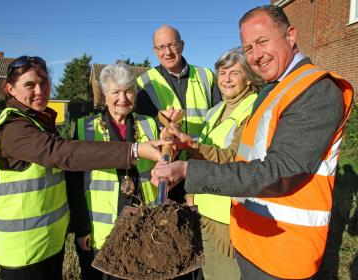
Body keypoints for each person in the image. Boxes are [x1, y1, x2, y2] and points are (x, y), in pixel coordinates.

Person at [151, 5, 354, 280]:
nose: (256, 56)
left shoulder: (315, 90)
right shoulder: (274, 90)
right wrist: (191, 147)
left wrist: (189, 171)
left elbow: (280, 171)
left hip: (284, 249)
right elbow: (246, 158)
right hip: (251, 237)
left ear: (291, 35)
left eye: (262, 42)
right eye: (248, 48)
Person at [0, 56, 166, 280]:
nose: (39, 91)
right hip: (25, 249)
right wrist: (134, 151)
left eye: (44, 83)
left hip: (49, 243)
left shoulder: (39, 121)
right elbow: (63, 155)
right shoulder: (14, 127)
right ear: (10, 89)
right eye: (29, 85)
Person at [163, 47, 263, 280]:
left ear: (248, 77)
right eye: (222, 73)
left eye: (234, 73)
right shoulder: (215, 110)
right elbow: (204, 153)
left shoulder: (253, 110)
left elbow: (235, 158)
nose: (226, 79)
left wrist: (192, 146)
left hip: (229, 218)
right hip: (204, 210)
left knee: (226, 274)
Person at [67, 62, 159, 280]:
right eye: (116, 92)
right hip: (101, 232)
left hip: (143, 227)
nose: (123, 98)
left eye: (128, 91)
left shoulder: (149, 124)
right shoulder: (85, 128)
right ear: (104, 95)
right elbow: (73, 183)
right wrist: (81, 228)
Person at [136, 24, 222, 202]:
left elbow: (219, 118)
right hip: (166, 170)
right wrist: (163, 124)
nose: (167, 52)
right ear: (154, 50)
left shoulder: (206, 76)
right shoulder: (144, 82)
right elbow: (142, 127)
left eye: (172, 45)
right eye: (161, 47)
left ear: (182, 45)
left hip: (202, 163)